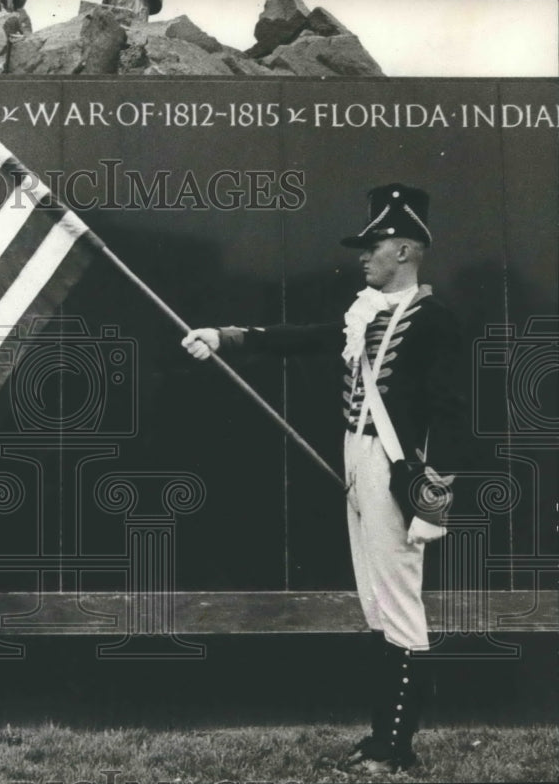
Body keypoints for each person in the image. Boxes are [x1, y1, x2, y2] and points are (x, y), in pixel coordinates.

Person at [182, 183, 465, 774]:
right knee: (373, 604)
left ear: (407, 252)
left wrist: (432, 502)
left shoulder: (433, 319)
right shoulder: (362, 312)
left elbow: (451, 413)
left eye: (375, 245)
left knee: (400, 604)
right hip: (354, 458)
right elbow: (306, 336)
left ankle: (398, 749)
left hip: (396, 470)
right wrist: (226, 337)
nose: (364, 256)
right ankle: (380, 737)